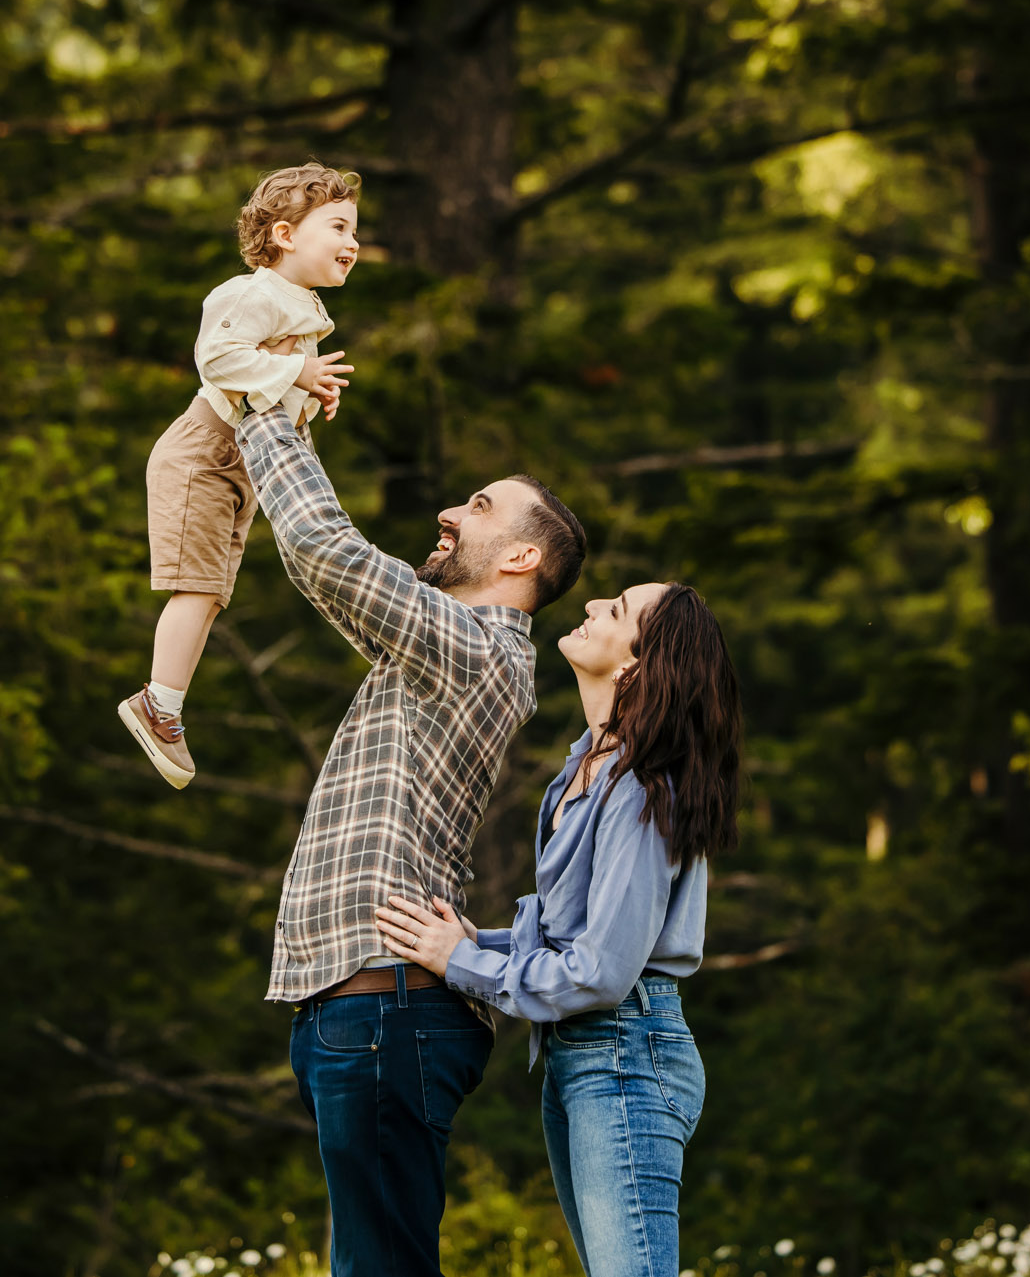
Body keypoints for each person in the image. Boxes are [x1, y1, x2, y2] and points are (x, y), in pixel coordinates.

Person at [237, 398, 587, 1277]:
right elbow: (321, 570)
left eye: (477, 504)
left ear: (521, 556)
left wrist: (261, 411)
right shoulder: (433, 648)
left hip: (386, 1009)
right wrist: (286, 424)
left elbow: (330, 550)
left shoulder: (475, 648)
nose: (449, 511)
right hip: (357, 1009)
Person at [373, 582, 743, 1277]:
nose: (595, 602)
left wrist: (463, 963)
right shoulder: (586, 768)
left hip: (626, 1054)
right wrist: (469, 942)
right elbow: (570, 936)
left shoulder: (640, 788)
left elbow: (601, 968)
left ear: (637, 664)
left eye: (618, 608)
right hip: (581, 1055)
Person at [119, 164, 360, 788]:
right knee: (196, 587)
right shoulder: (251, 293)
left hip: (241, 464)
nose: (353, 241)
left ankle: (165, 703)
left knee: (211, 592)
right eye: (338, 226)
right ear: (284, 234)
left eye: (354, 229)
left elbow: (272, 378)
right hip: (205, 452)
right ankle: (158, 704)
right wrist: (298, 376)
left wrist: (311, 396)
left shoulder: (302, 304)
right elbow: (220, 358)